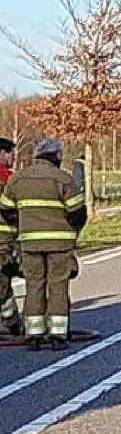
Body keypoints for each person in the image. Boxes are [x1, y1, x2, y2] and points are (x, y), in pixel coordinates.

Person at [0, 139, 86, 351]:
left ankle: (34, 335)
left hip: (30, 244)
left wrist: (23, 225)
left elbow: (6, 210)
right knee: (57, 286)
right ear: (57, 157)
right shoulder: (63, 179)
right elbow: (78, 214)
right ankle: (57, 335)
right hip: (60, 245)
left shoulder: (18, 179)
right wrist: (71, 231)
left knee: (34, 286)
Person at [0, 137, 20, 336]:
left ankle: (12, 320)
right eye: (10, 153)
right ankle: (12, 321)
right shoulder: (7, 178)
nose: (13, 157)